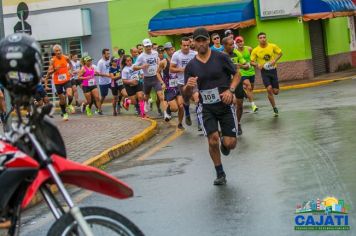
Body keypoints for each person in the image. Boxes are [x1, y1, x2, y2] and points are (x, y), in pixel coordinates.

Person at [183, 28, 241, 186]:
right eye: (198, 40)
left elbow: (237, 74)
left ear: (208, 40)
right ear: (193, 43)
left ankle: (225, 142)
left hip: (225, 104)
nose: (201, 43)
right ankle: (220, 173)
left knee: (231, 144)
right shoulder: (191, 66)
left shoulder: (221, 57)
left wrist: (231, 90)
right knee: (212, 140)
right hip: (206, 107)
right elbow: (185, 94)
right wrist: (188, 87)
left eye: (204, 40)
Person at [133, 38, 167, 119]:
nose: (148, 48)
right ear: (144, 47)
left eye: (149, 46)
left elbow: (157, 60)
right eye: (146, 46)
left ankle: (166, 113)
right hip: (147, 79)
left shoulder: (155, 53)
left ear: (151, 46)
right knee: (146, 97)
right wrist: (142, 66)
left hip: (156, 78)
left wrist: (159, 64)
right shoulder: (141, 56)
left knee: (161, 96)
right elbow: (134, 67)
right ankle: (146, 103)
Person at [251, 32, 283, 117]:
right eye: (261, 37)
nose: (263, 39)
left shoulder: (272, 46)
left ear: (266, 38)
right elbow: (251, 62)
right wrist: (257, 65)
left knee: (275, 92)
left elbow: (280, 53)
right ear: (258, 39)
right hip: (264, 72)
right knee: (269, 89)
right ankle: (274, 107)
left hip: (273, 70)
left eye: (264, 37)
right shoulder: (255, 50)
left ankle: (273, 92)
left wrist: (274, 60)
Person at [170, 37, 198, 129]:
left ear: (190, 45)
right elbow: (171, 69)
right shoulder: (176, 55)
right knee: (185, 101)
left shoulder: (195, 54)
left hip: (194, 81)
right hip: (182, 82)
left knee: (197, 99)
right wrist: (181, 69)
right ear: (180, 45)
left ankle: (200, 121)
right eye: (184, 45)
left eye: (188, 45)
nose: (186, 47)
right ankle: (187, 114)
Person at [222, 37, 247, 135]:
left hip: (238, 81)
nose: (233, 46)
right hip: (227, 83)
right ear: (224, 45)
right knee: (233, 102)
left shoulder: (236, 53)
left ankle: (238, 123)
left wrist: (238, 65)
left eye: (233, 44)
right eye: (230, 44)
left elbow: (247, 65)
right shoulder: (221, 56)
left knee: (240, 105)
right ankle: (230, 123)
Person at [158, 42, 185, 129]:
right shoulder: (163, 62)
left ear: (174, 49)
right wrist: (162, 82)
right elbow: (157, 73)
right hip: (169, 88)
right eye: (168, 50)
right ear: (165, 51)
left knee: (181, 105)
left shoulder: (179, 59)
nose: (171, 51)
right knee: (174, 108)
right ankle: (168, 109)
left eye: (172, 49)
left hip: (178, 86)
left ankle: (180, 123)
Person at [45, 44, 73, 121]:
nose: (58, 52)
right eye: (56, 51)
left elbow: (70, 64)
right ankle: (64, 113)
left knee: (70, 95)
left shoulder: (66, 57)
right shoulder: (52, 60)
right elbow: (49, 72)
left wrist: (70, 70)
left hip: (66, 80)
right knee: (62, 99)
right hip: (58, 82)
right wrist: (54, 69)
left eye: (59, 50)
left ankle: (69, 105)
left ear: (61, 50)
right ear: (54, 52)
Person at [97, 48, 113, 114]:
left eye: (109, 53)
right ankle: (99, 109)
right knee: (103, 96)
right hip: (103, 83)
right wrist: (107, 75)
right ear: (103, 54)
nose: (109, 55)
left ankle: (117, 105)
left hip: (110, 81)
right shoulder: (100, 62)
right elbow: (97, 73)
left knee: (116, 92)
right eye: (107, 54)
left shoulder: (109, 61)